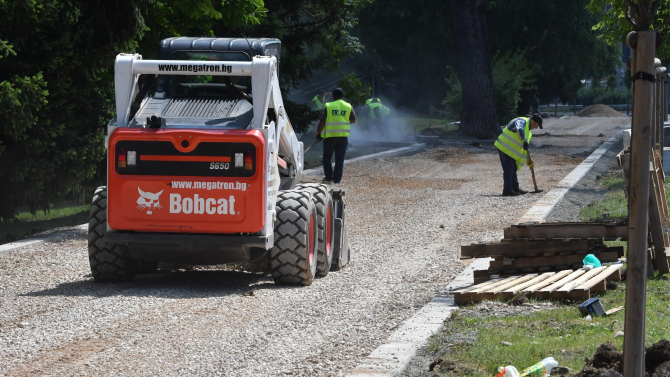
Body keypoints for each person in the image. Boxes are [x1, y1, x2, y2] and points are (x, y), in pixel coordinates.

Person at [494, 113, 543, 196]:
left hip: (509, 149)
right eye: (536, 126)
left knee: (513, 169)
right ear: (533, 122)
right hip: (504, 147)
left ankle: (515, 188)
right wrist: (524, 141)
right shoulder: (522, 121)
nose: (536, 128)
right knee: (509, 169)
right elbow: (519, 129)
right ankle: (507, 190)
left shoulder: (527, 127)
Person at [316, 88, 356, 184]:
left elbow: (323, 120)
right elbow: (353, 119)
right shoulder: (348, 106)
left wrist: (318, 133)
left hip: (330, 136)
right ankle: (337, 178)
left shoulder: (329, 106)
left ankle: (329, 176)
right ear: (343, 96)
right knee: (340, 158)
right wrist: (343, 123)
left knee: (327, 157)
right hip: (343, 136)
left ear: (333, 96)